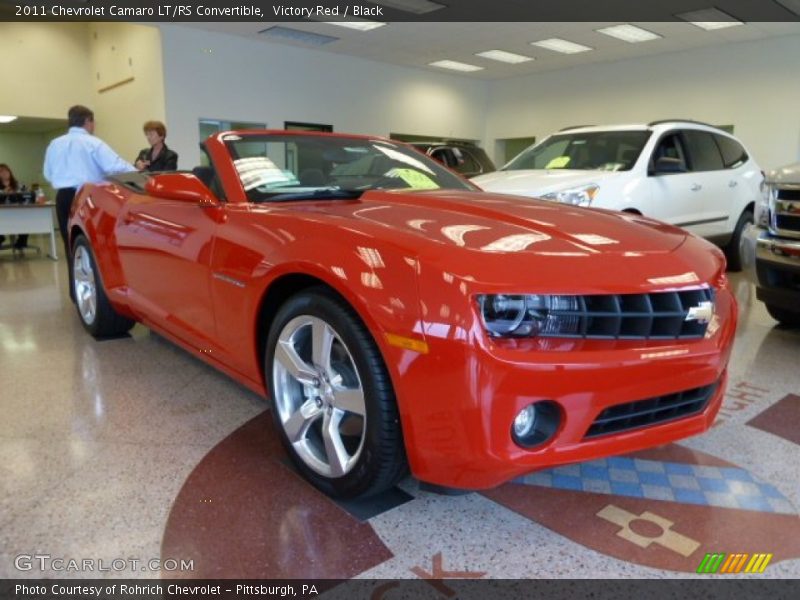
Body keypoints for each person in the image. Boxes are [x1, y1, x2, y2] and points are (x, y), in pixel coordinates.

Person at [43, 105, 135, 258]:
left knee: (70, 244)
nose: (94, 126)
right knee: (91, 244)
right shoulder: (93, 142)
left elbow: (48, 175)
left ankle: (76, 281)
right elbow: (116, 166)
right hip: (87, 197)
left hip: (63, 198)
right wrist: (141, 175)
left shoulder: (54, 144)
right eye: (93, 122)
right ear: (87, 121)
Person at [0, 163, 29, 252]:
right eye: (1, 172)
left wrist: (15, 193)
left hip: (17, 212)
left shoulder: (17, 184)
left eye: (6, 171)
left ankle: (21, 243)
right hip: (2, 214)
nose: (4, 173)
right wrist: (3, 193)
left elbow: (25, 195)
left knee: (27, 221)